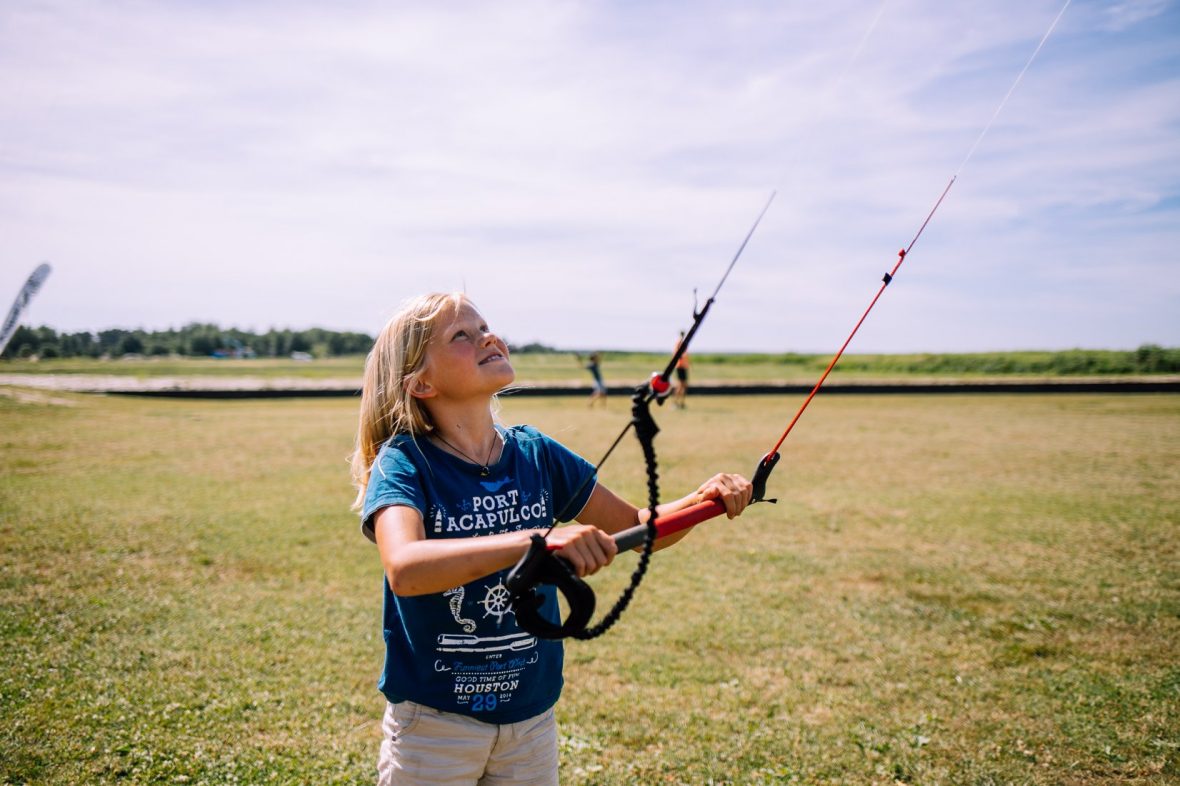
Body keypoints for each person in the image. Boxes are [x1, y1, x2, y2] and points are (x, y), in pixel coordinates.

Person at [350, 292, 752, 785]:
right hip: (434, 727)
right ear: (421, 382)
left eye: (485, 328)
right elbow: (406, 568)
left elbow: (634, 525)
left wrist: (704, 500)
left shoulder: (536, 453)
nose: (488, 338)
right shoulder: (405, 462)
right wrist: (538, 543)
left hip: (530, 722)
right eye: (462, 335)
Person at [673, 331, 690, 409]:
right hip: (680, 366)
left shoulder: (683, 343)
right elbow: (677, 354)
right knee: (680, 385)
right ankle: (676, 403)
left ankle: (682, 403)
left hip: (684, 366)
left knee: (684, 385)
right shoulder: (679, 342)